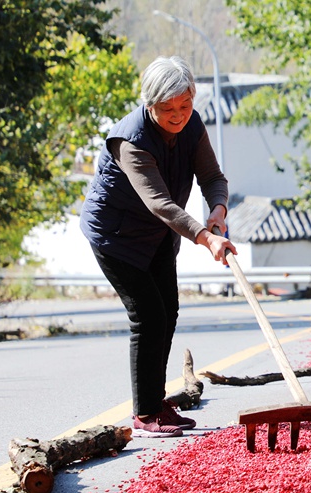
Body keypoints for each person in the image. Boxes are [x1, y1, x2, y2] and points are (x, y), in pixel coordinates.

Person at [80, 56, 237, 438]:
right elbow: (161, 204)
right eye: (168, 109)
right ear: (149, 105)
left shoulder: (193, 124)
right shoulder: (130, 141)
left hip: (160, 233)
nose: (178, 115)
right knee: (148, 316)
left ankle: (155, 400)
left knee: (168, 310)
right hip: (116, 236)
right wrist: (207, 236)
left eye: (185, 106)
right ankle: (145, 412)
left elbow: (212, 176)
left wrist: (218, 209)